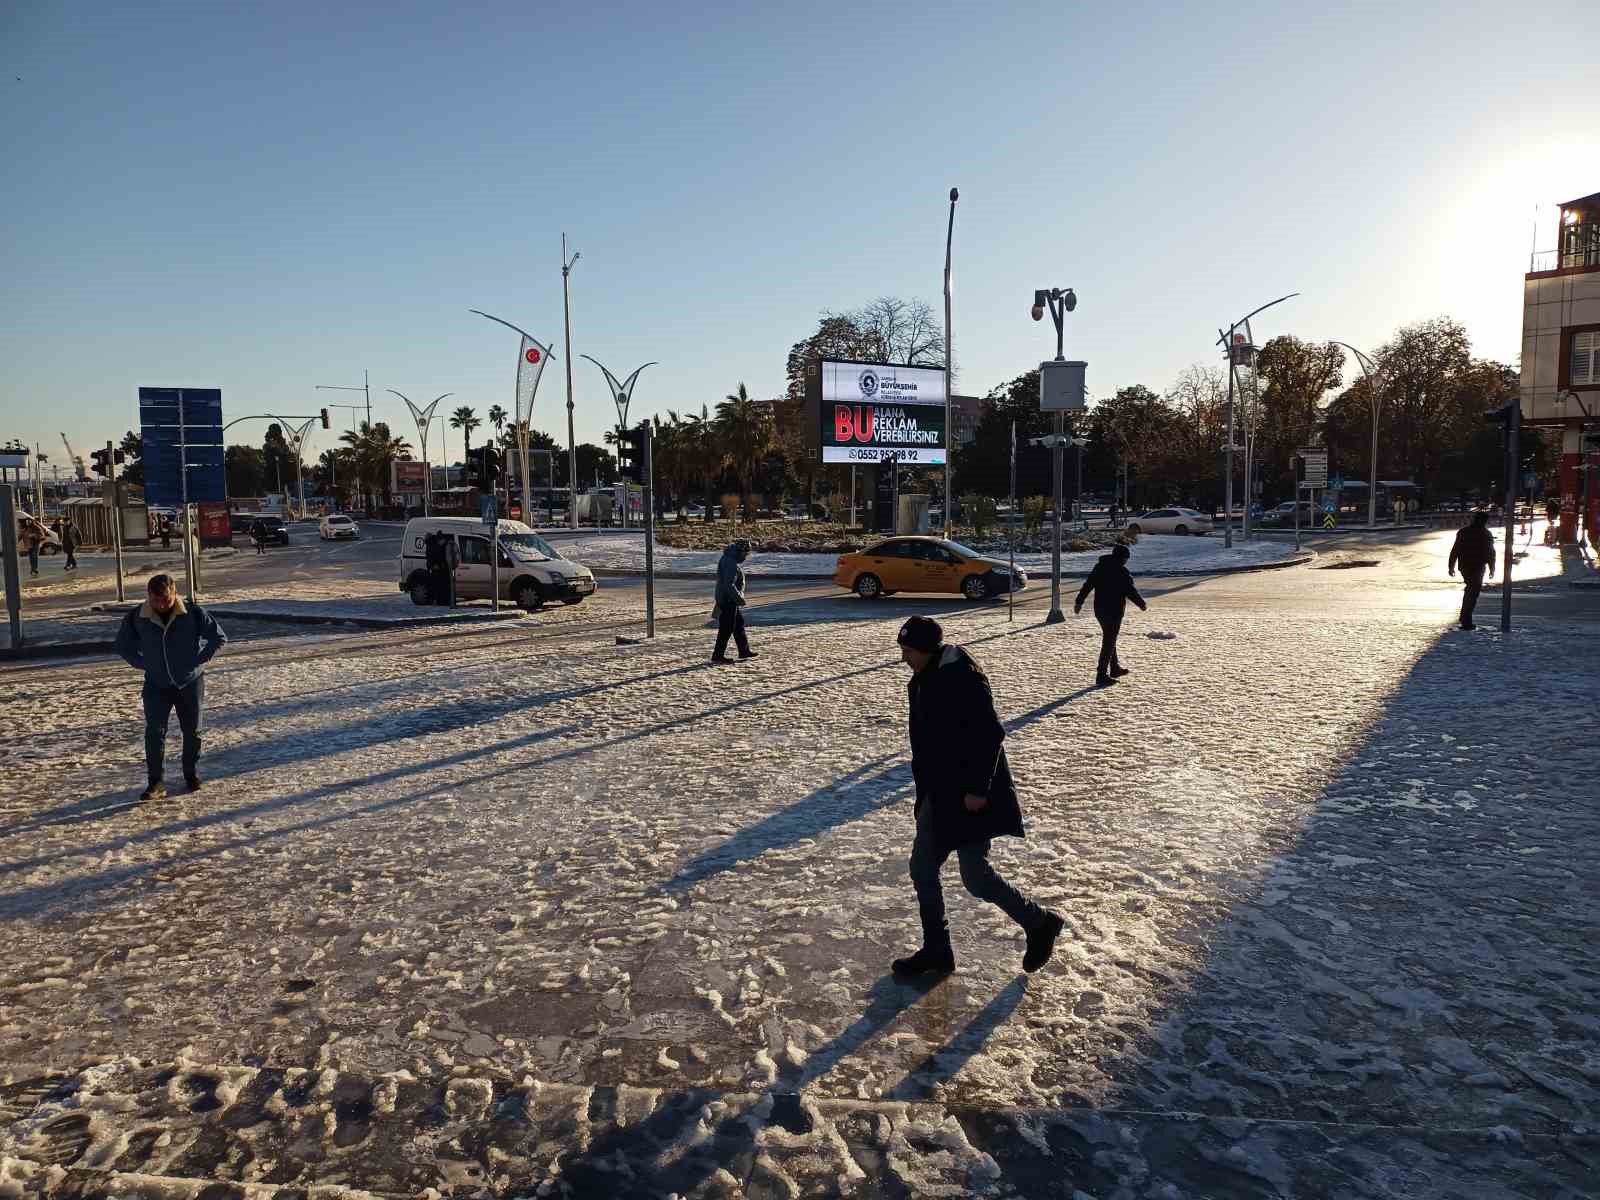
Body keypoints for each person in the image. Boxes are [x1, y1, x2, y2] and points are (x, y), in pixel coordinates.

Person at [892, 616, 1064, 978]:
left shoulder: (962, 677)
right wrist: (923, 794)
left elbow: (990, 735)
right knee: (922, 869)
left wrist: (978, 789)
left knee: (975, 877)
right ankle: (937, 950)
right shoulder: (921, 679)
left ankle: (1040, 923)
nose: (904, 657)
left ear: (925, 649)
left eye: (908, 650)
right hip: (938, 794)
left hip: (969, 795)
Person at [114, 573, 227, 802]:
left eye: (166, 600)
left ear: (174, 593)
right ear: (149, 597)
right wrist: (144, 663)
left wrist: (199, 661)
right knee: (154, 732)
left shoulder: (193, 613)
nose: (161, 605)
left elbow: (218, 638)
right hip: (156, 684)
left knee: (193, 731)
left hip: (190, 683)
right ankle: (155, 783)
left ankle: (191, 774)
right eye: (156, 601)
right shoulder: (138, 617)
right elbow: (123, 645)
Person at [1074, 543, 1148, 687]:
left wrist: (1079, 602)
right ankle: (1101, 675)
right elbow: (1130, 591)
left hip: (1100, 611)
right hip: (1114, 611)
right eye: (1126, 558)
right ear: (1122, 558)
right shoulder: (1121, 571)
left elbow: (1088, 585)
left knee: (1110, 638)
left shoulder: (1100, 567)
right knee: (1109, 642)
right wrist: (1141, 604)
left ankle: (1114, 668)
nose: (1127, 561)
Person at [1448, 510, 1496, 630]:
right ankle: (1466, 619)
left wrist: (1451, 565)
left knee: (1470, 589)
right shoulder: (1486, 533)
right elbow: (1491, 553)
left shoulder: (1464, 532)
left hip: (1465, 565)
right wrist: (1492, 567)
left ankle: (1465, 617)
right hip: (1478, 566)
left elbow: (1455, 549)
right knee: (1473, 591)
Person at [711, 539, 756, 663]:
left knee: (738, 625)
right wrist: (739, 599)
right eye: (746, 553)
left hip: (728, 598)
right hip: (728, 600)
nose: (747, 556)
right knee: (727, 628)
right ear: (741, 552)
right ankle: (718, 655)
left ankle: (744, 650)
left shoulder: (729, 558)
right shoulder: (730, 562)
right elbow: (728, 584)